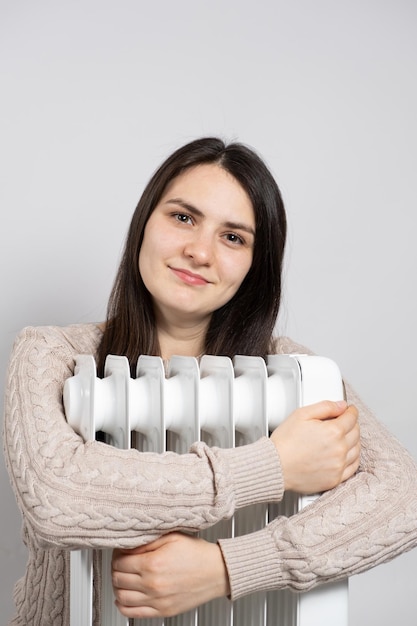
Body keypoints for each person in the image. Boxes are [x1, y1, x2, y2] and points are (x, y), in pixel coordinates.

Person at [2, 137, 417, 625]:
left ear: (254, 267)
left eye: (233, 237)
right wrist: (272, 466)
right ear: (144, 224)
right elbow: (56, 497)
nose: (199, 251)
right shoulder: (52, 356)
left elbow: (403, 496)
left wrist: (225, 567)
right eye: (183, 217)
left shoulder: (293, 371)